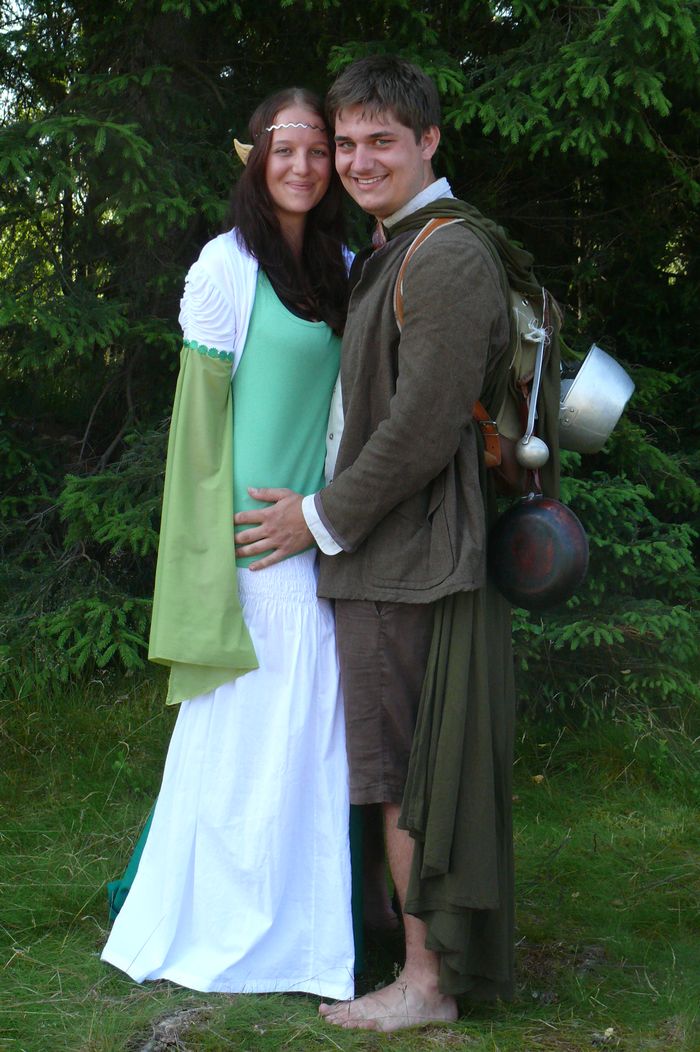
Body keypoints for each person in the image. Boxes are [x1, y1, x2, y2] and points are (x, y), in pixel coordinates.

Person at [233, 56, 561, 1030]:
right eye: (348, 143)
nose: (359, 160)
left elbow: (420, 429)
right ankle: (390, 937)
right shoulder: (398, 243)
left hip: (409, 555)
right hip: (395, 551)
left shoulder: (445, 254)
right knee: (388, 761)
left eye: (383, 140)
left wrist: (317, 517)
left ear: (428, 141)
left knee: (405, 770)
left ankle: (425, 983)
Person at [101, 88, 355, 999]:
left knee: (306, 758)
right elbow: (201, 437)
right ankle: (226, 929)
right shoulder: (225, 267)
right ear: (255, 158)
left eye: (318, 150)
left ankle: (306, 937)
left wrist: (324, 514)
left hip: (316, 542)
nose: (303, 166)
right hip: (251, 556)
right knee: (242, 759)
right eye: (286, 149)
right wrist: (214, 560)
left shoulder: (342, 266)